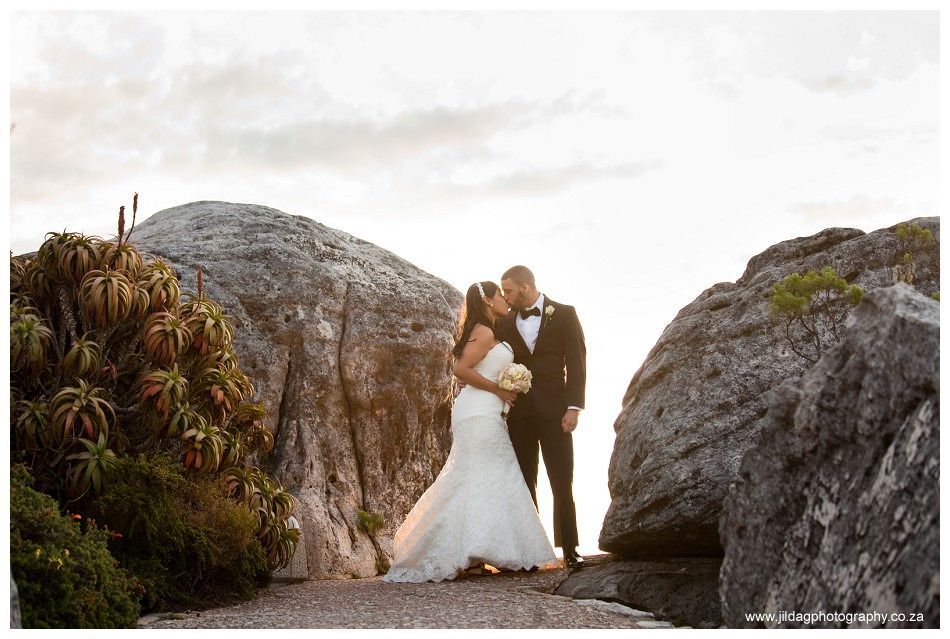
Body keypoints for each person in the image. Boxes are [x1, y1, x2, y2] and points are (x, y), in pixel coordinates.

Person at [383, 281, 556, 583]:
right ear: (489, 301)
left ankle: (479, 552)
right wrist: (499, 390)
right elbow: (460, 370)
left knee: (486, 475)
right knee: (485, 473)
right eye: (500, 295)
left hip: (484, 409)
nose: (505, 299)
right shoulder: (485, 331)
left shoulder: (488, 330)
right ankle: (471, 551)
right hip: (478, 411)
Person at [498, 265, 586, 570]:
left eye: (508, 290)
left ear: (525, 287)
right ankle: (531, 551)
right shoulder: (505, 321)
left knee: (562, 480)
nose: (505, 297)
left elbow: (576, 361)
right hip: (520, 414)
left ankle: (571, 548)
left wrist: (574, 407)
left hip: (556, 411)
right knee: (525, 481)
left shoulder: (564, 314)